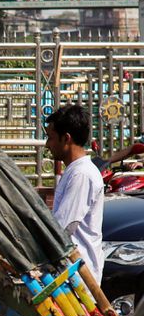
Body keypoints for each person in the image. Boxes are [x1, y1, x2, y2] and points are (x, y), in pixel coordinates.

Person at [45, 105, 105, 284]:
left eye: (51, 138)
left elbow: (64, 226)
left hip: (79, 279)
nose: (48, 144)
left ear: (66, 138)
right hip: (70, 275)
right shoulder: (74, 171)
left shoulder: (81, 174)